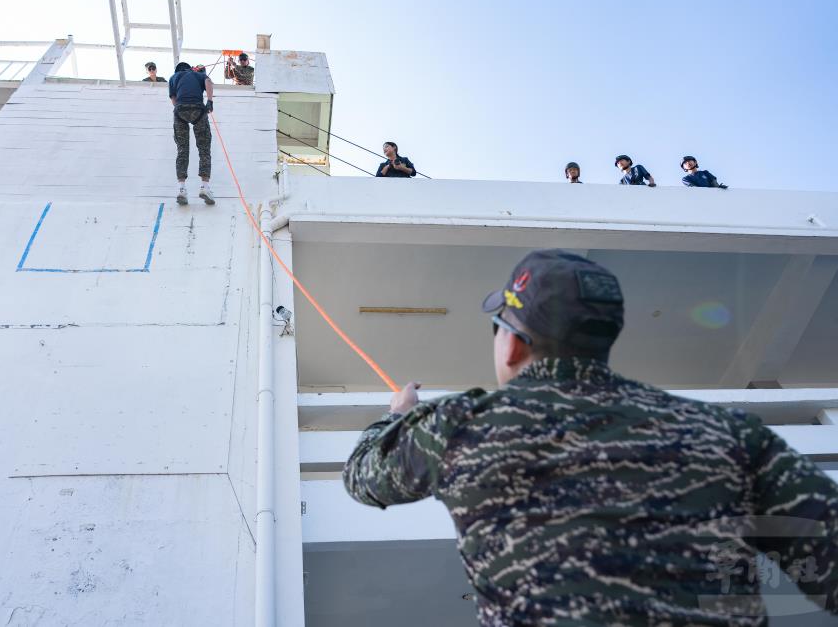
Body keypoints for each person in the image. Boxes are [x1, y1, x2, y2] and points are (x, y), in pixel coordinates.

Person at [343, 249, 838, 626]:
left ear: (512, 342)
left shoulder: (459, 425)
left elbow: (362, 477)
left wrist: (396, 416)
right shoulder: (729, 433)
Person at [169, 61, 215, 205]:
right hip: (198, 110)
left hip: (180, 111)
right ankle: (205, 187)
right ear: (189, 68)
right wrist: (209, 101)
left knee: (182, 150)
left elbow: (173, 99)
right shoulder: (197, 74)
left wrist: (180, 110)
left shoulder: (173, 77)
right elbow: (208, 81)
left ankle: (181, 189)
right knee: (204, 148)